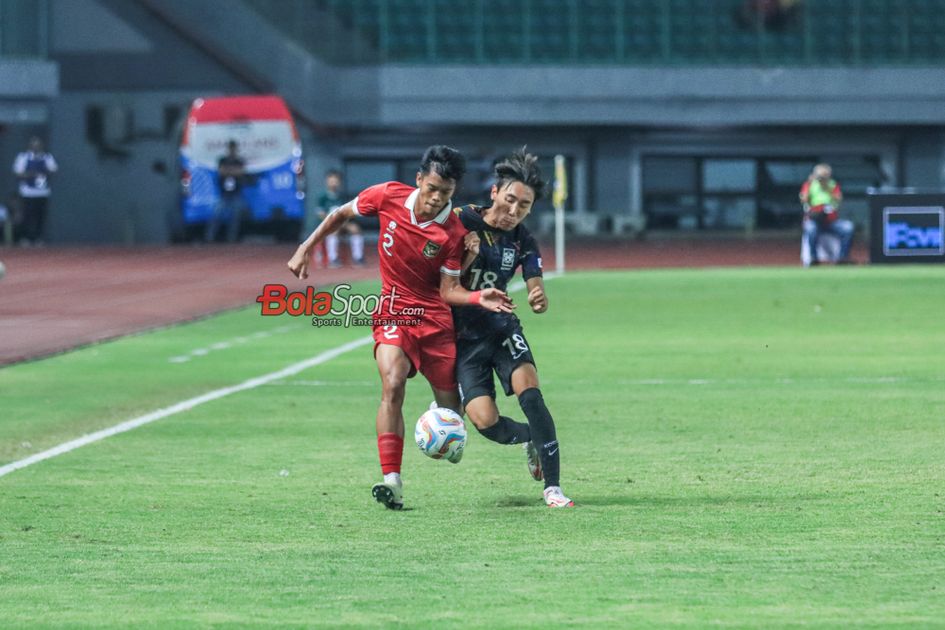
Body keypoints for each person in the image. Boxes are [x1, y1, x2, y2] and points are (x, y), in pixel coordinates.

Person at [287, 145, 514, 510]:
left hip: (435, 320)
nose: (436, 198)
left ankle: (449, 425)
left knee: (453, 417)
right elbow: (340, 213)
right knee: (392, 382)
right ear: (419, 179)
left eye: (445, 192)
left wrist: (476, 296)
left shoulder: (452, 233)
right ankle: (391, 480)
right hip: (394, 311)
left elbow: (449, 291)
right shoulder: (387, 196)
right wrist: (306, 247)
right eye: (432, 188)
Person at [453, 148, 574, 508]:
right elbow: (439, 278)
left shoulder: (523, 239)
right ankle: (530, 438)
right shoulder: (460, 220)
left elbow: (535, 282)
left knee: (531, 395)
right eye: (510, 200)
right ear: (494, 193)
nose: (514, 211)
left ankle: (553, 488)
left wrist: (538, 296)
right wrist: (465, 257)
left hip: (502, 328)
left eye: (524, 205)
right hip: (463, 340)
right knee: (485, 422)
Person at [799, 163, 854, 266]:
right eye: (820, 177)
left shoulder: (833, 185)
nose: (822, 179)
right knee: (810, 229)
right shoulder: (809, 184)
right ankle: (813, 258)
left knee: (847, 227)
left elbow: (839, 199)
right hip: (815, 219)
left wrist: (828, 189)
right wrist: (809, 186)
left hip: (831, 220)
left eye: (825, 177)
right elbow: (803, 200)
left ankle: (843, 257)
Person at [315, 170, 366, 268]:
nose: (333, 183)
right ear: (327, 181)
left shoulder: (342, 197)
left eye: (336, 181)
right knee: (334, 231)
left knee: (355, 229)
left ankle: (358, 257)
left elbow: (348, 212)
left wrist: (344, 222)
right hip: (328, 225)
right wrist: (333, 222)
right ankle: (333, 259)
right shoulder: (322, 197)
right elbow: (321, 214)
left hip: (342, 223)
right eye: (331, 181)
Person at [13, 137, 58, 246]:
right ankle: (26, 237)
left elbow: (53, 170)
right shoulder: (23, 157)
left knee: (40, 216)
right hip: (27, 192)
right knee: (27, 215)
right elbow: (18, 172)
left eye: (38, 145)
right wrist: (32, 174)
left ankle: (38, 238)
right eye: (34, 145)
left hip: (42, 192)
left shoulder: (47, 157)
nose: (36, 147)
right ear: (30, 146)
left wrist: (44, 172)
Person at [206, 140, 247, 243]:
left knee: (236, 217)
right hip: (223, 194)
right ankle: (209, 238)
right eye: (230, 148)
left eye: (233, 148)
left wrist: (228, 171)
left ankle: (231, 239)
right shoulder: (222, 160)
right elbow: (221, 172)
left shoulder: (239, 161)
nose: (232, 150)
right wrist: (233, 171)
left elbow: (240, 172)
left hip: (236, 194)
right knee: (216, 215)